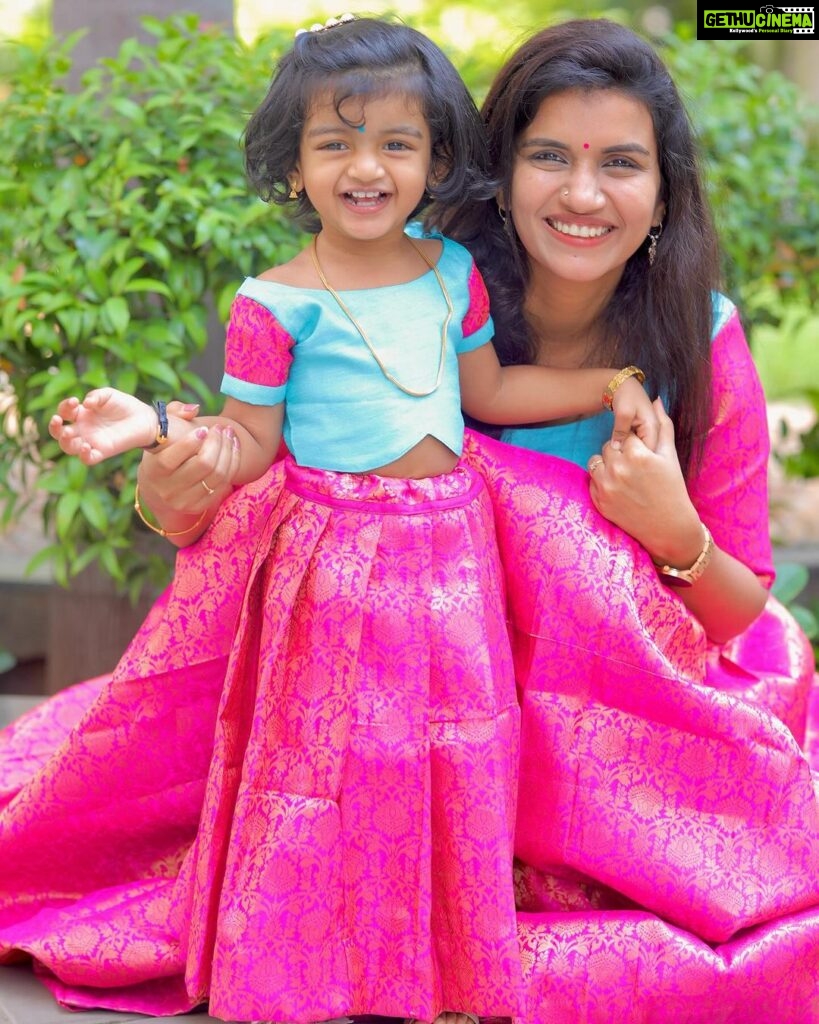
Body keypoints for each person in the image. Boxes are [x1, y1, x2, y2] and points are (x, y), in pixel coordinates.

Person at [3, 14, 661, 1024]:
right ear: (295, 165)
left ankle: (434, 968)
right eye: (335, 142)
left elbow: (487, 393)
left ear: (436, 156)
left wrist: (606, 381)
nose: (367, 166)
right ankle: (303, 966)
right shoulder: (274, 301)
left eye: (396, 142)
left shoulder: (450, 270)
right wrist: (154, 428)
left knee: (454, 751)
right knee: (329, 765)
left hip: (454, 556)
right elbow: (248, 444)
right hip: (333, 564)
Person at [433, 17, 819, 1023]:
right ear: (500, 172)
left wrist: (667, 525)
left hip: (628, 710)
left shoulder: (701, 337)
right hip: (442, 697)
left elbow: (737, 613)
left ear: (660, 192)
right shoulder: (428, 307)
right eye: (549, 156)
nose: (583, 194)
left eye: (621, 164)